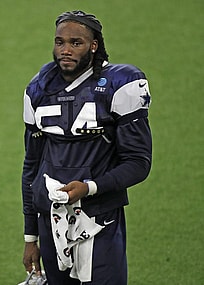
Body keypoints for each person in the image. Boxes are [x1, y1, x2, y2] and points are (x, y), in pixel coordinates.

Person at [21, 11, 152, 284]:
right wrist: (30, 237)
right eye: (59, 42)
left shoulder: (120, 84)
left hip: (99, 218)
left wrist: (90, 187)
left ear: (93, 45)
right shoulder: (38, 89)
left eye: (75, 43)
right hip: (51, 220)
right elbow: (31, 168)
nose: (65, 50)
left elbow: (138, 163)